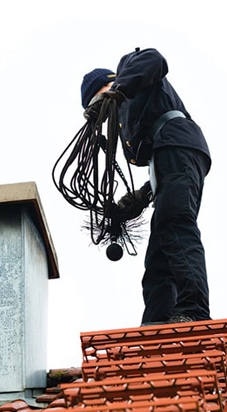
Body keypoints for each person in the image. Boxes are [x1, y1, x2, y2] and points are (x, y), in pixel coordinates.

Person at [80, 48, 211, 325]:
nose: (103, 111)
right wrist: (142, 196)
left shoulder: (129, 70)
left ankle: (194, 311)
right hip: (169, 156)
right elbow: (164, 165)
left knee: (175, 225)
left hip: (177, 143)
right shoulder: (130, 124)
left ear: (107, 85)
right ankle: (156, 324)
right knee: (158, 256)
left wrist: (118, 91)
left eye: (98, 100)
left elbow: (155, 59)